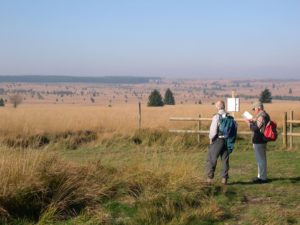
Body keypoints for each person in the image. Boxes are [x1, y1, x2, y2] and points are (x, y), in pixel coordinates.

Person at [207, 100, 236, 185]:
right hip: (227, 141)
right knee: (225, 160)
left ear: (218, 106)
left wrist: (211, 138)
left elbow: (213, 131)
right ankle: (224, 178)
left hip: (218, 140)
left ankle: (209, 178)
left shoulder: (216, 117)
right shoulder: (230, 117)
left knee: (212, 159)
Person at [245, 101, 270, 183]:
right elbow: (259, 126)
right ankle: (261, 176)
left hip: (259, 140)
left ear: (258, 108)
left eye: (254, 109)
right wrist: (253, 122)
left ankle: (262, 178)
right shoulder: (265, 115)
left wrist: (249, 123)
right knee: (261, 159)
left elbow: (256, 129)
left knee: (260, 160)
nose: (254, 110)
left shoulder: (261, 116)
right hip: (262, 139)